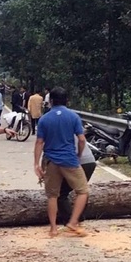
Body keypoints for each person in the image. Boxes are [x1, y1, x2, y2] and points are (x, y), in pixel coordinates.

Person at [33, 87, 89, 237]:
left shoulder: (45, 119)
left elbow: (39, 142)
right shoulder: (73, 116)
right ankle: (72, 222)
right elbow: (82, 139)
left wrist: (36, 164)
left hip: (51, 161)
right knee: (82, 190)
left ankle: (53, 228)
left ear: (50, 101)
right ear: (67, 100)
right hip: (69, 159)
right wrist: (79, 154)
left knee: (52, 195)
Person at [56, 142, 96, 225]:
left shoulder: (58, 131)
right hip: (90, 161)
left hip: (74, 162)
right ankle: (79, 217)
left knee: (61, 193)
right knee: (82, 191)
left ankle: (70, 221)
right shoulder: (75, 128)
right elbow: (81, 140)